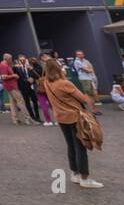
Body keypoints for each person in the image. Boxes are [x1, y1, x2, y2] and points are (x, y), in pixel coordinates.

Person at [39, 57, 103, 189]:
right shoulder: (64, 83)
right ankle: (85, 178)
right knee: (80, 146)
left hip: (61, 117)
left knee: (70, 145)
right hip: (74, 117)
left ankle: (75, 173)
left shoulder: (46, 82)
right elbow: (82, 98)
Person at [0, 55, 33, 125]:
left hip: (10, 86)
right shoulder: (3, 65)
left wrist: (14, 68)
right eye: (10, 59)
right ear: (7, 59)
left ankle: (15, 119)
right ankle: (28, 118)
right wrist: (13, 75)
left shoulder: (5, 65)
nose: (11, 61)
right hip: (12, 86)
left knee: (13, 103)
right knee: (21, 101)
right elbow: (3, 77)